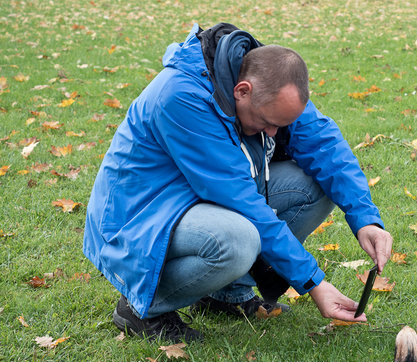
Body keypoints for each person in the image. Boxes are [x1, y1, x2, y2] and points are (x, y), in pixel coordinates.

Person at [82, 23, 393, 343]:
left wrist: (366, 219)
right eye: (268, 123)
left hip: (192, 199)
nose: (273, 133)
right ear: (242, 90)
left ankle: (225, 296)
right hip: (139, 217)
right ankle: (140, 307)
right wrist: (314, 283)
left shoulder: (270, 84)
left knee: (313, 187)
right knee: (237, 241)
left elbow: (323, 145)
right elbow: (242, 202)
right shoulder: (182, 97)